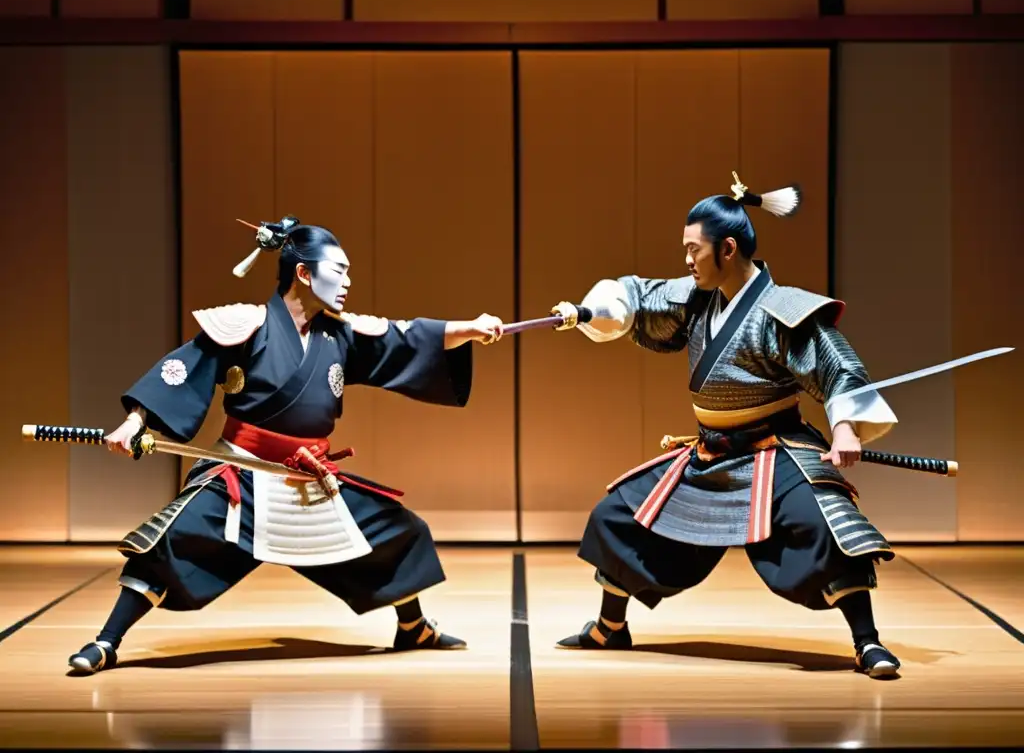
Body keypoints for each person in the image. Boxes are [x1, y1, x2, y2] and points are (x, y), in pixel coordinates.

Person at [68, 215, 504, 675]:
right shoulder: (246, 325)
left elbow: (406, 337)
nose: (348, 281)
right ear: (303, 272)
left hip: (309, 476)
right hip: (241, 471)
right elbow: (182, 370)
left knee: (399, 530)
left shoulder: (339, 334)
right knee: (169, 540)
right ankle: (106, 641)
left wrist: (469, 327)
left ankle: (413, 627)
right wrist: (136, 421)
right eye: (339, 270)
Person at [548, 173, 903, 679]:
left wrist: (845, 428)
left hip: (775, 448)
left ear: (728, 249)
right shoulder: (697, 297)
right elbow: (637, 295)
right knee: (620, 515)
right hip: (710, 453)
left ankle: (867, 642)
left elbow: (837, 367)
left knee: (826, 523)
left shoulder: (781, 310)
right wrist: (586, 311)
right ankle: (610, 626)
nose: (687, 260)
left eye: (694, 250)